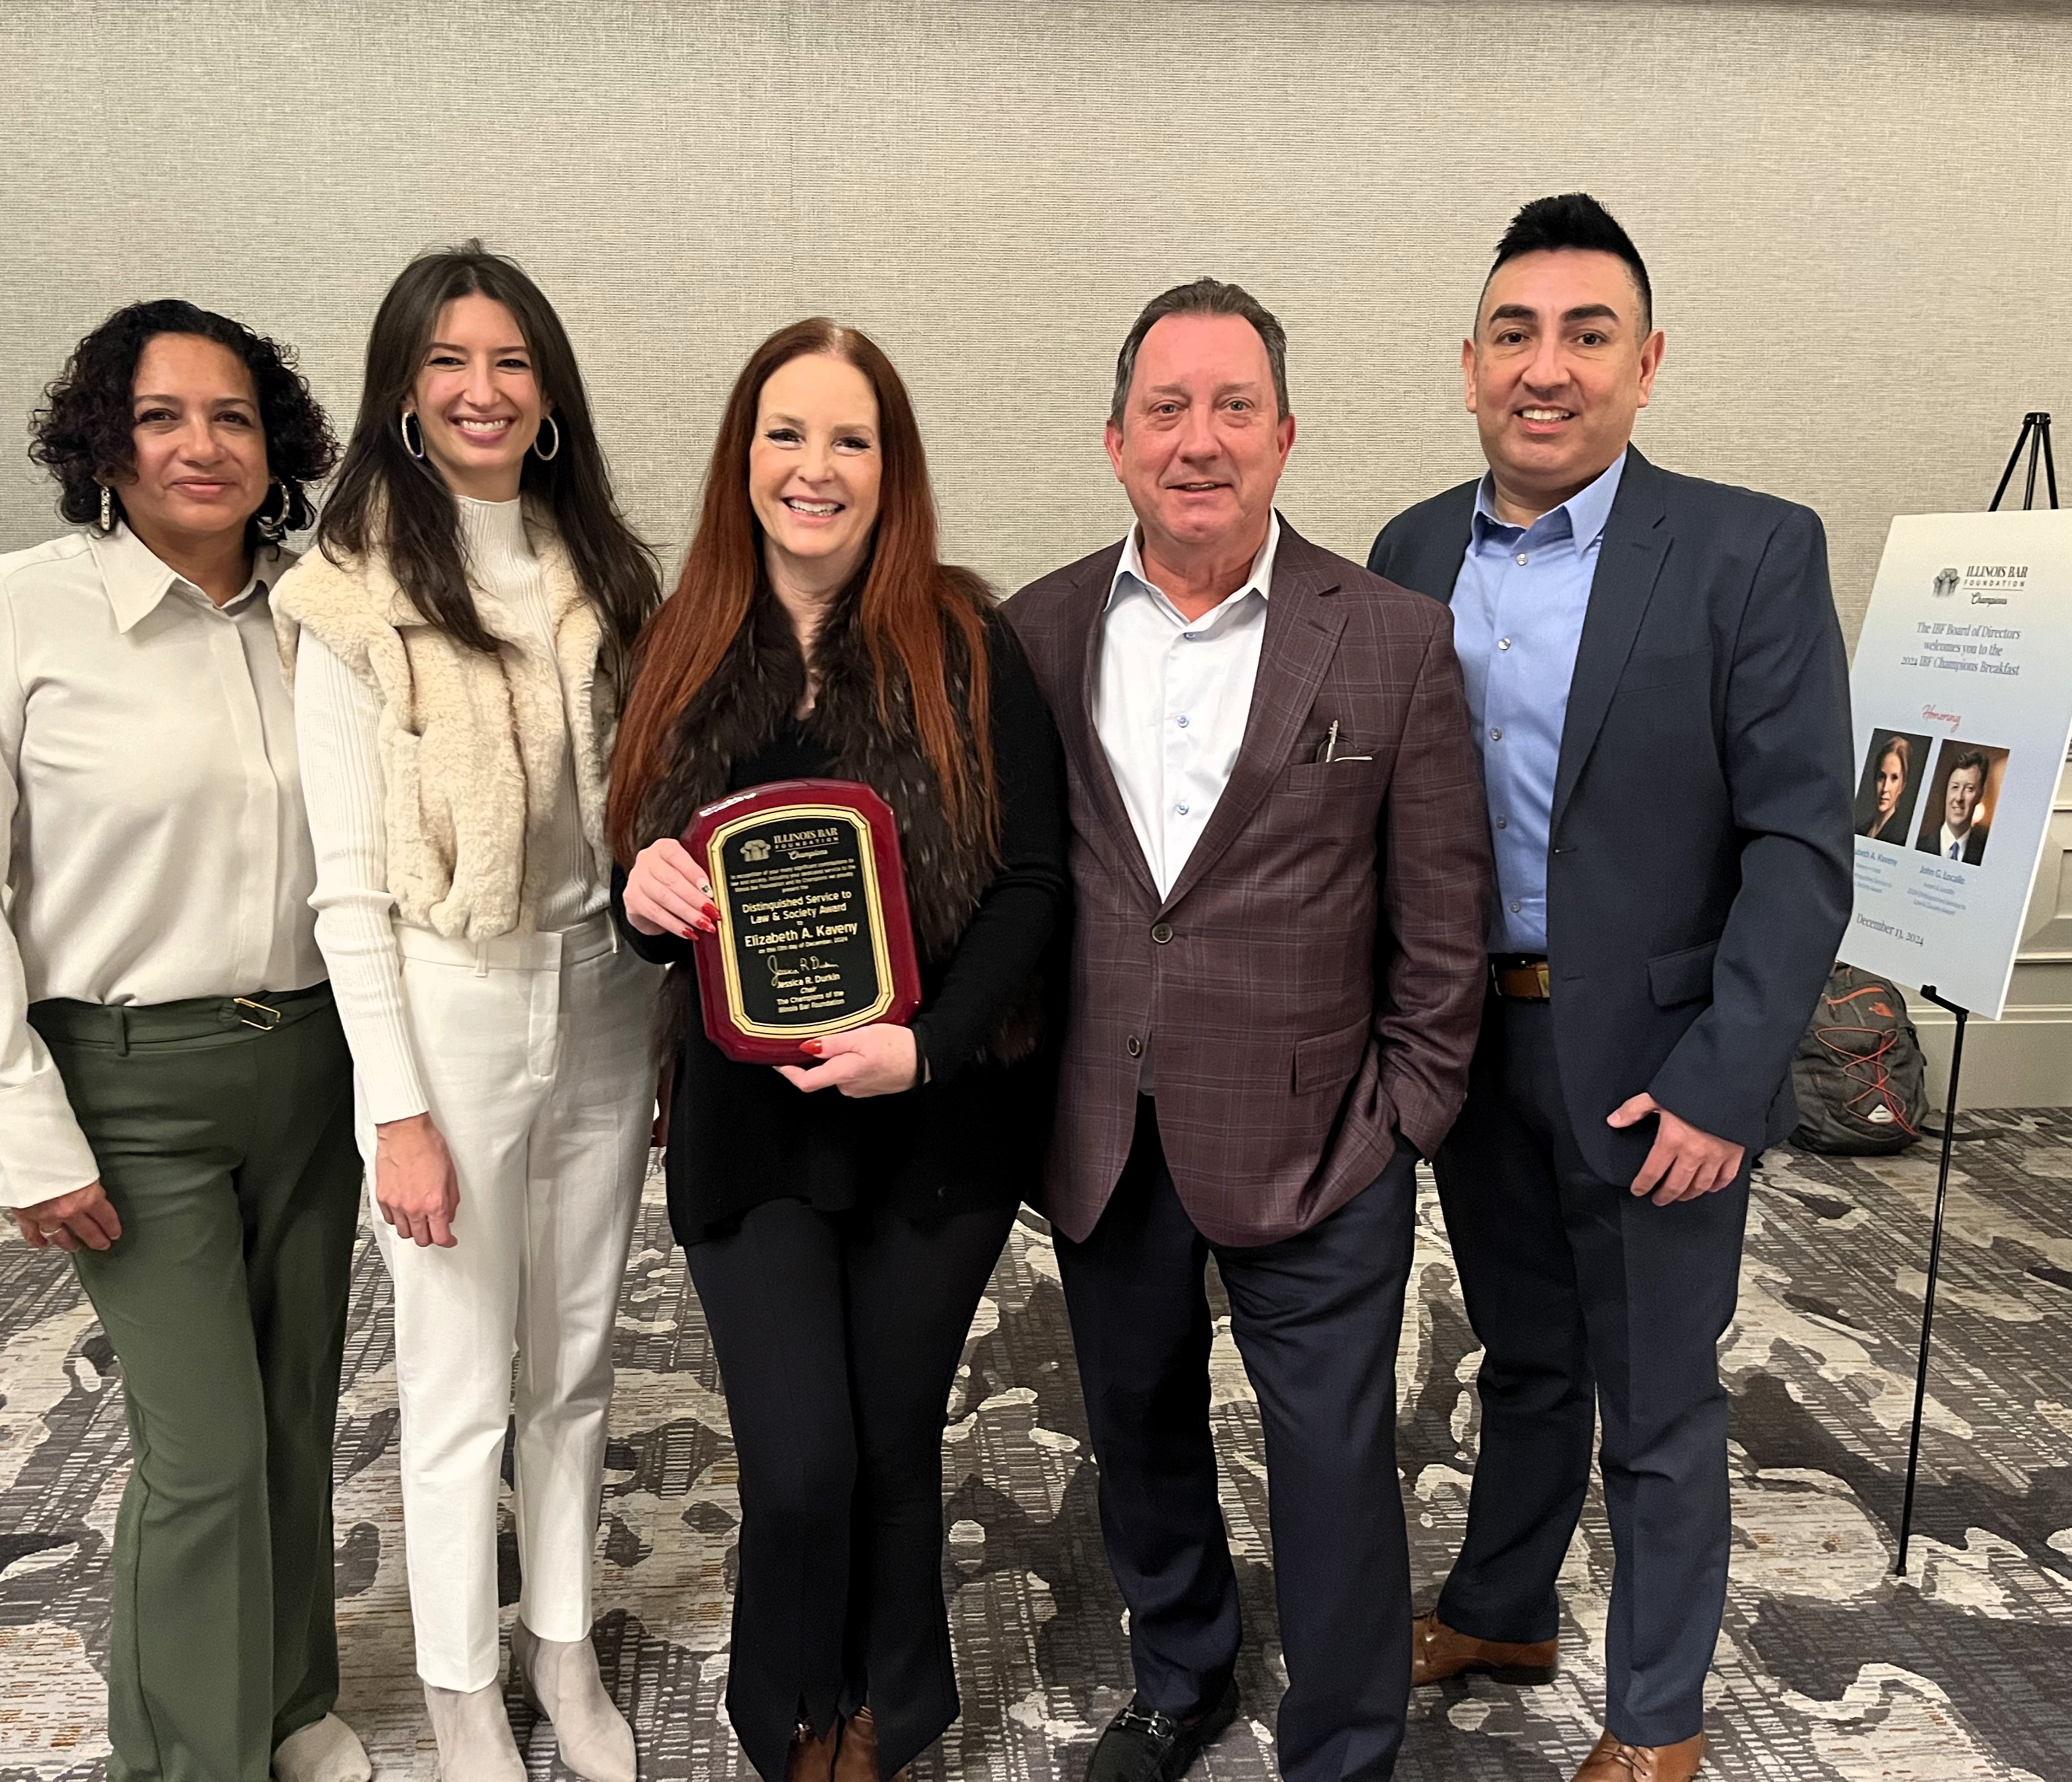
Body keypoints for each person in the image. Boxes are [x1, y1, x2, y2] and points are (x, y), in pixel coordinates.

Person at [1367, 194, 1854, 1782]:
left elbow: (1799, 844)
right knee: (1520, 1356)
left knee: (1655, 1402)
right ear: (1467, 364)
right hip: (1472, 1047)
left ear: (1646, 365)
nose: (1547, 367)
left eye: (1588, 335)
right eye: (1514, 333)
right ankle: (1503, 1609)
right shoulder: (1410, 550)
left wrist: (1726, 1078)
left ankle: (1656, 1718)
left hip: (1658, 1064)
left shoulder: (1747, 549)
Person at [1004, 280, 1492, 1782]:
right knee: (1136, 1426)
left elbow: (1442, 910)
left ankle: (1342, 1742)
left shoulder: (1392, 639)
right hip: (1103, 1124)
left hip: (1322, 1132)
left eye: (1233, 408)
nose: (1198, 441)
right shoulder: (1034, 630)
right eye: (1166, 409)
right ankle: (1181, 1671)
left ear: (1285, 437)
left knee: (1333, 1458)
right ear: (1114, 441)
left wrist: (1406, 1109)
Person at [0, 302, 367, 1782]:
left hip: (314, 1065)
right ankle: (186, 1755)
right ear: (105, 442)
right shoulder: (15, 610)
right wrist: (20, 1127)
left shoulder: (324, 614)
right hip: (127, 1086)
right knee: (204, 1443)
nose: (200, 446)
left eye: (232, 416)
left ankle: (285, 1701)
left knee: (291, 1411)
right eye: (161, 416)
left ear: (274, 445)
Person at [605, 318, 1068, 1782]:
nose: (816, 468)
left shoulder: (965, 642)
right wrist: (639, 895)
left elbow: (1034, 884)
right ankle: (787, 1706)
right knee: (800, 1459)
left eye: (850, 439)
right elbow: (644, 893)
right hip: (749, 1128)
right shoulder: (677, 643)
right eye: (787, 434)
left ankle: (878, 1713)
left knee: (888, 1448)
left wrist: (922, 1050)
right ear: (743, 458)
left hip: (934, 1115)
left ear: (891, 467)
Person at [277, 243, 662, 1782]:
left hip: (605, 993)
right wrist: (398, 1113)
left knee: (575, 1355)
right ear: (403, 392)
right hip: (451, 1003)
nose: (481, 389)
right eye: (447, 361)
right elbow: (347, 892)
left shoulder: (603, 572)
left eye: (510, 361)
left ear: (548, 393)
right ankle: (458, 1688)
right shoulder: (347, 596)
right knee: (456, 1378)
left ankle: (561, 1644)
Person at [1917, 747, 1991, 862]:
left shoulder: (1987, 855)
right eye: (1955, 787)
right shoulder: (1918, 847)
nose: (1959, 798)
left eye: (1969, 789)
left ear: (1980, 795)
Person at [1861, 734, 1915, 842]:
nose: (1885, 788)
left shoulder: (1901, 838)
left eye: (1894, 778)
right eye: (1882, 777)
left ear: (1903, 785)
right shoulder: (1860, 829)